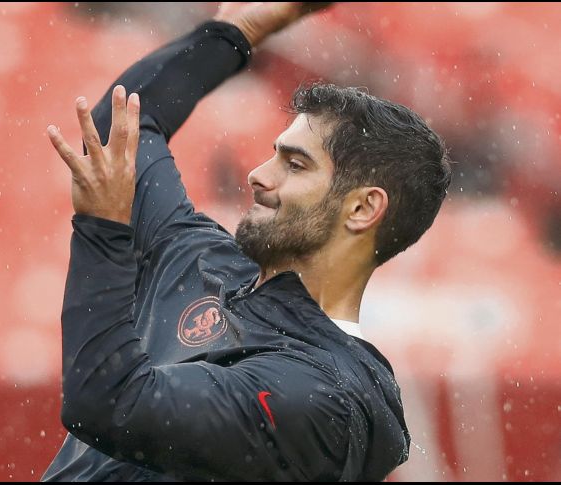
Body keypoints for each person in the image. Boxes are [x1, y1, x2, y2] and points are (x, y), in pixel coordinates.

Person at [42, 2, 452, 482]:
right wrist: (235, 33)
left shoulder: (327, 396)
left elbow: (109, 402)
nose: (258, 175)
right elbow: (123, 126)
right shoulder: (201, 258)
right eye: (273, 155)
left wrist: (104, 233)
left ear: (362, 209)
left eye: (295, 165)